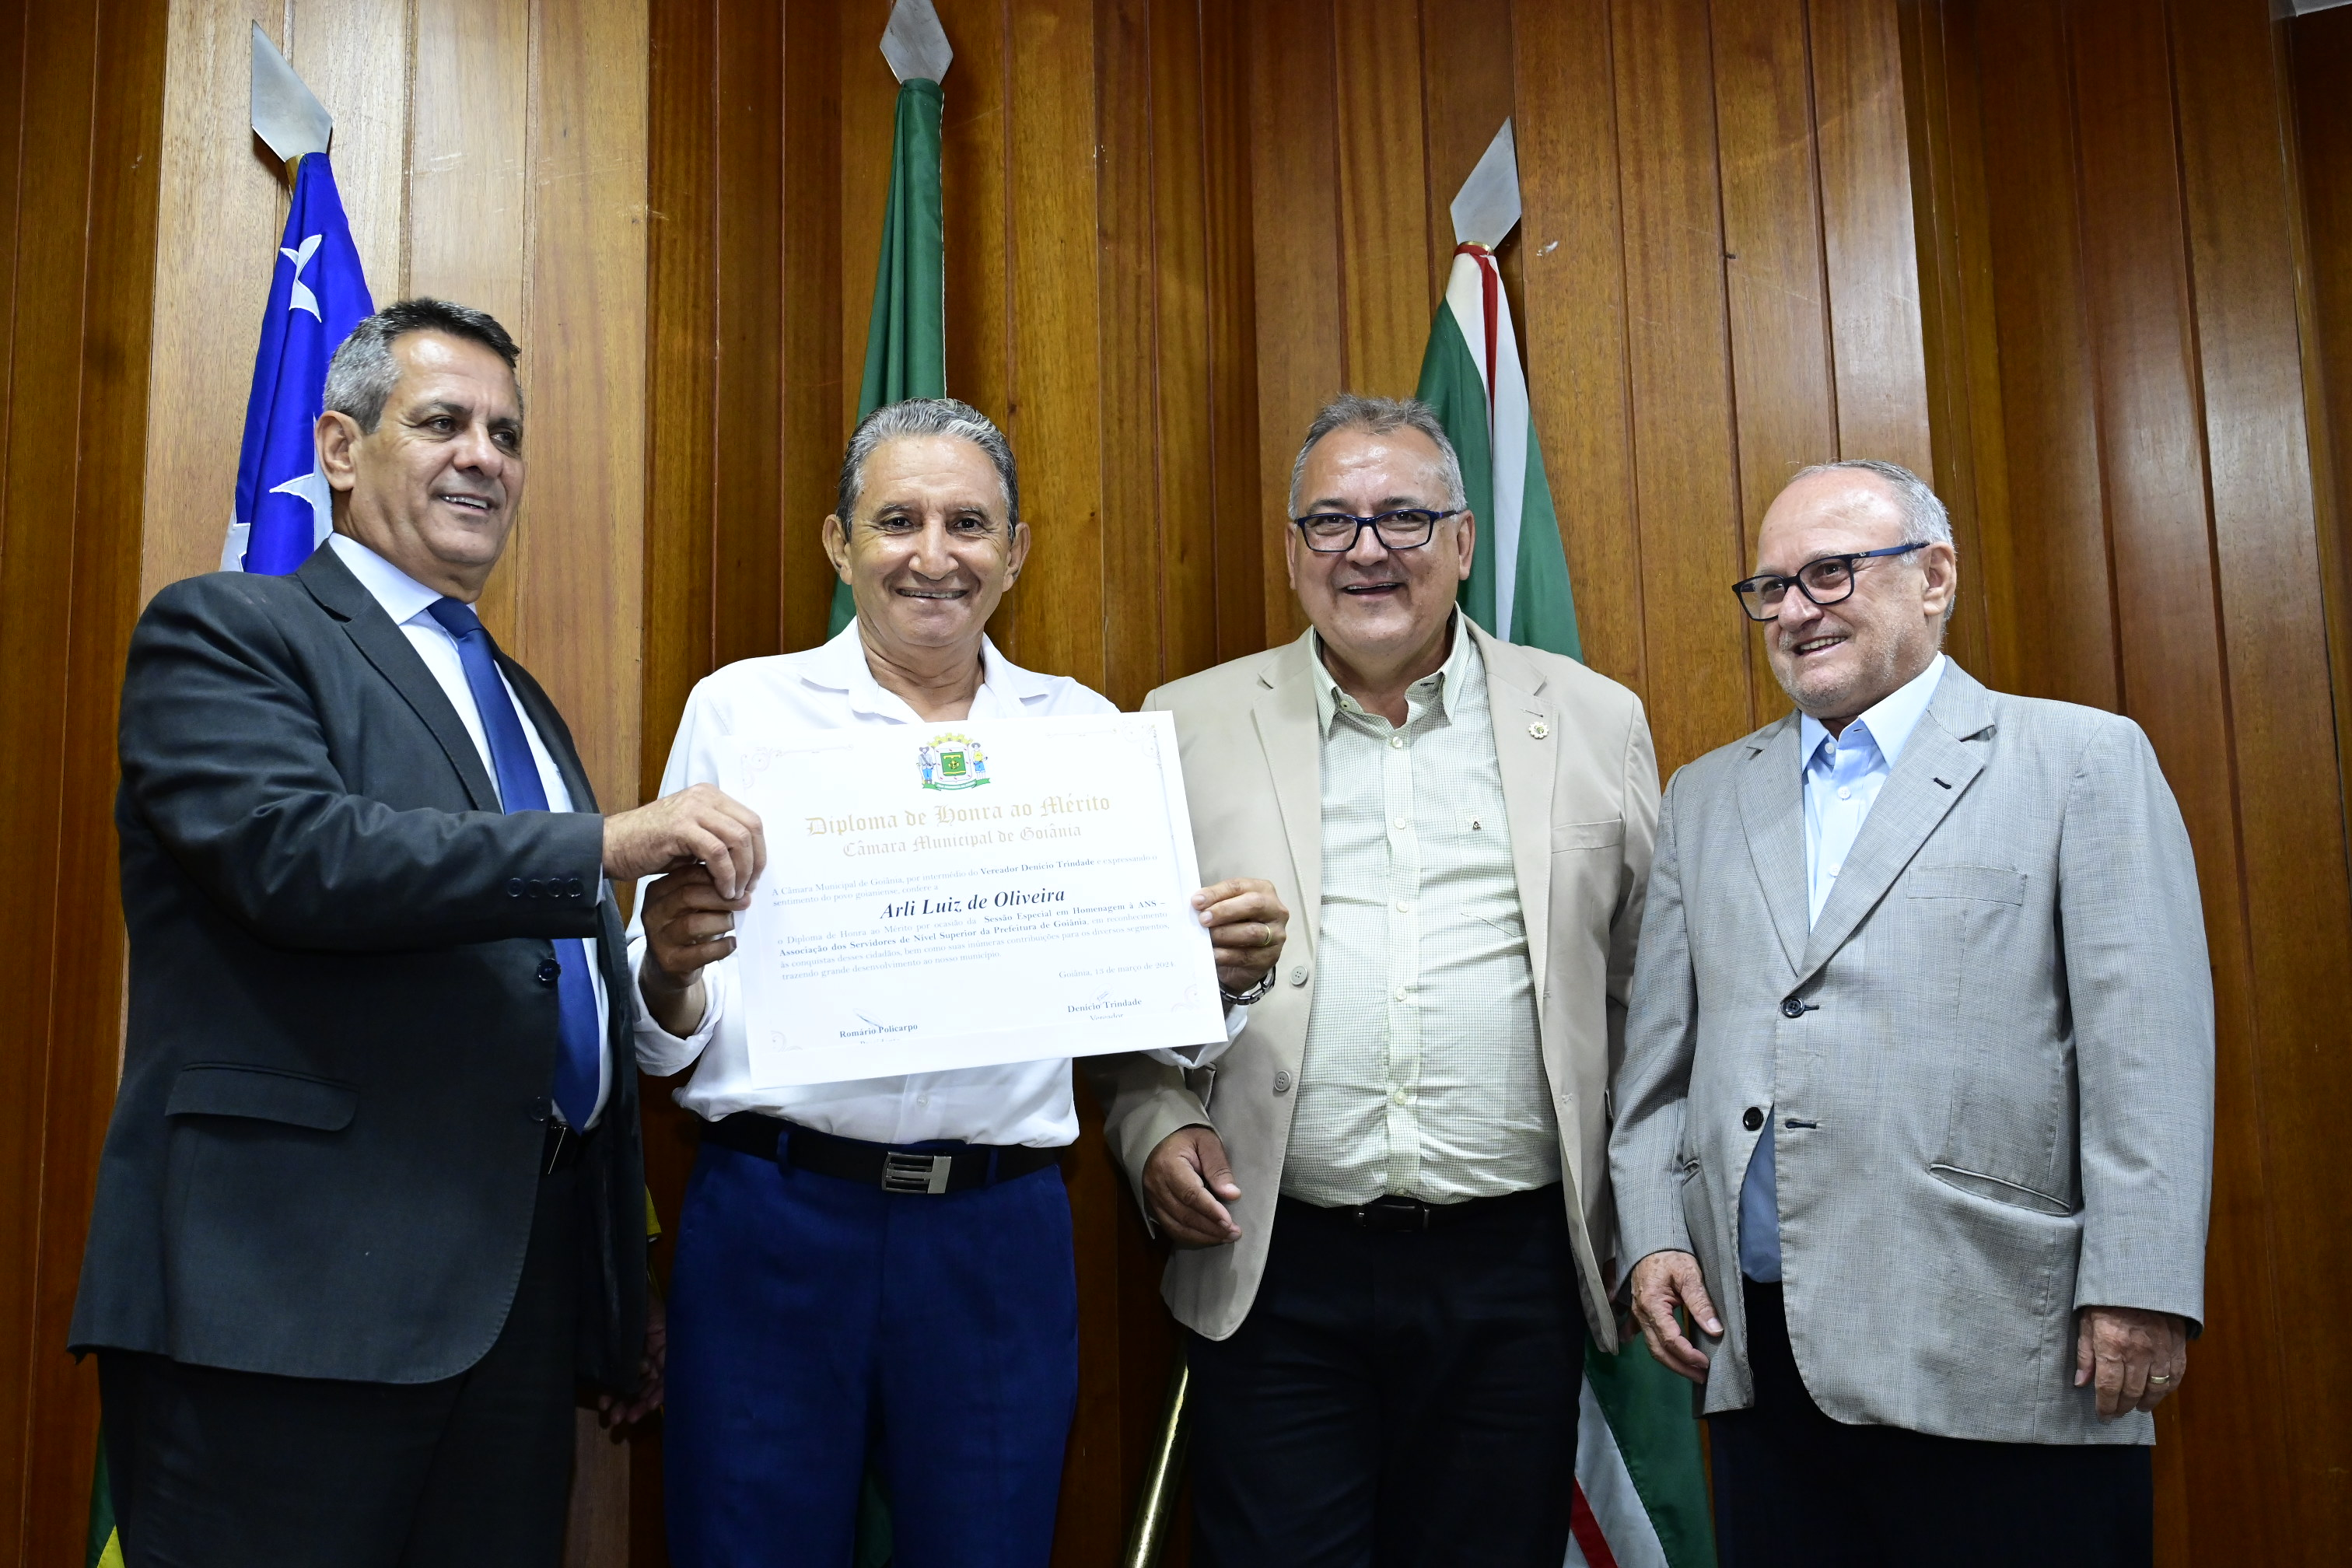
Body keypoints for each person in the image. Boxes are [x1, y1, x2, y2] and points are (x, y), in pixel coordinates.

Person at [72, 298, 764, 1566]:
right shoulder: (227, 631)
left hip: (514, 1311)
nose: (483, 457)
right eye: (443, 422)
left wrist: (618, 1273)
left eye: (507, 434)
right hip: (286, 1302)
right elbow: (298, 857)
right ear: (340, 449)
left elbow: (542, 993)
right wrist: (604, 847)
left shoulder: (521, 702)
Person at [631, 396, 1288, 1568]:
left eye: (969, 524)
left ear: (1016, 551)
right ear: (838, 544)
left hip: (996, 1235)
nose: (933, 555)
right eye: (898, 521)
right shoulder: (742, 711)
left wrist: (1224, 975)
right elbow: (666, 1031)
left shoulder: (1083, 735)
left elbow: (1148, 1019)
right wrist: (669, 968)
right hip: (775, 1221)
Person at [1610, 460, 2214, 1567]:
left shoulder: (2080, 760)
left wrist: (2140, 1283)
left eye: (1829, 575)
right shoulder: (1704, 796)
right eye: (1771, 588)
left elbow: (2149, 1051)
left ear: (1934, 576)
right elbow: (1658, 1064)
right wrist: (1651, 1234)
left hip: (2009, 1342)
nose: (1795, 611)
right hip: (1764, 1355)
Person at [1089, 394, 1660, 1565]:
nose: (1367, 551)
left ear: (1463, 541)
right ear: (1291, 547)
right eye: (1332, 522)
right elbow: (1119, 993)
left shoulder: (1594, 721)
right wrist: (1153, 1128)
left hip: (1514, 1271)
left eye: (1404, 518)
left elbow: (1646, 993)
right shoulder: (1182, 725)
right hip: (1277, 1261)